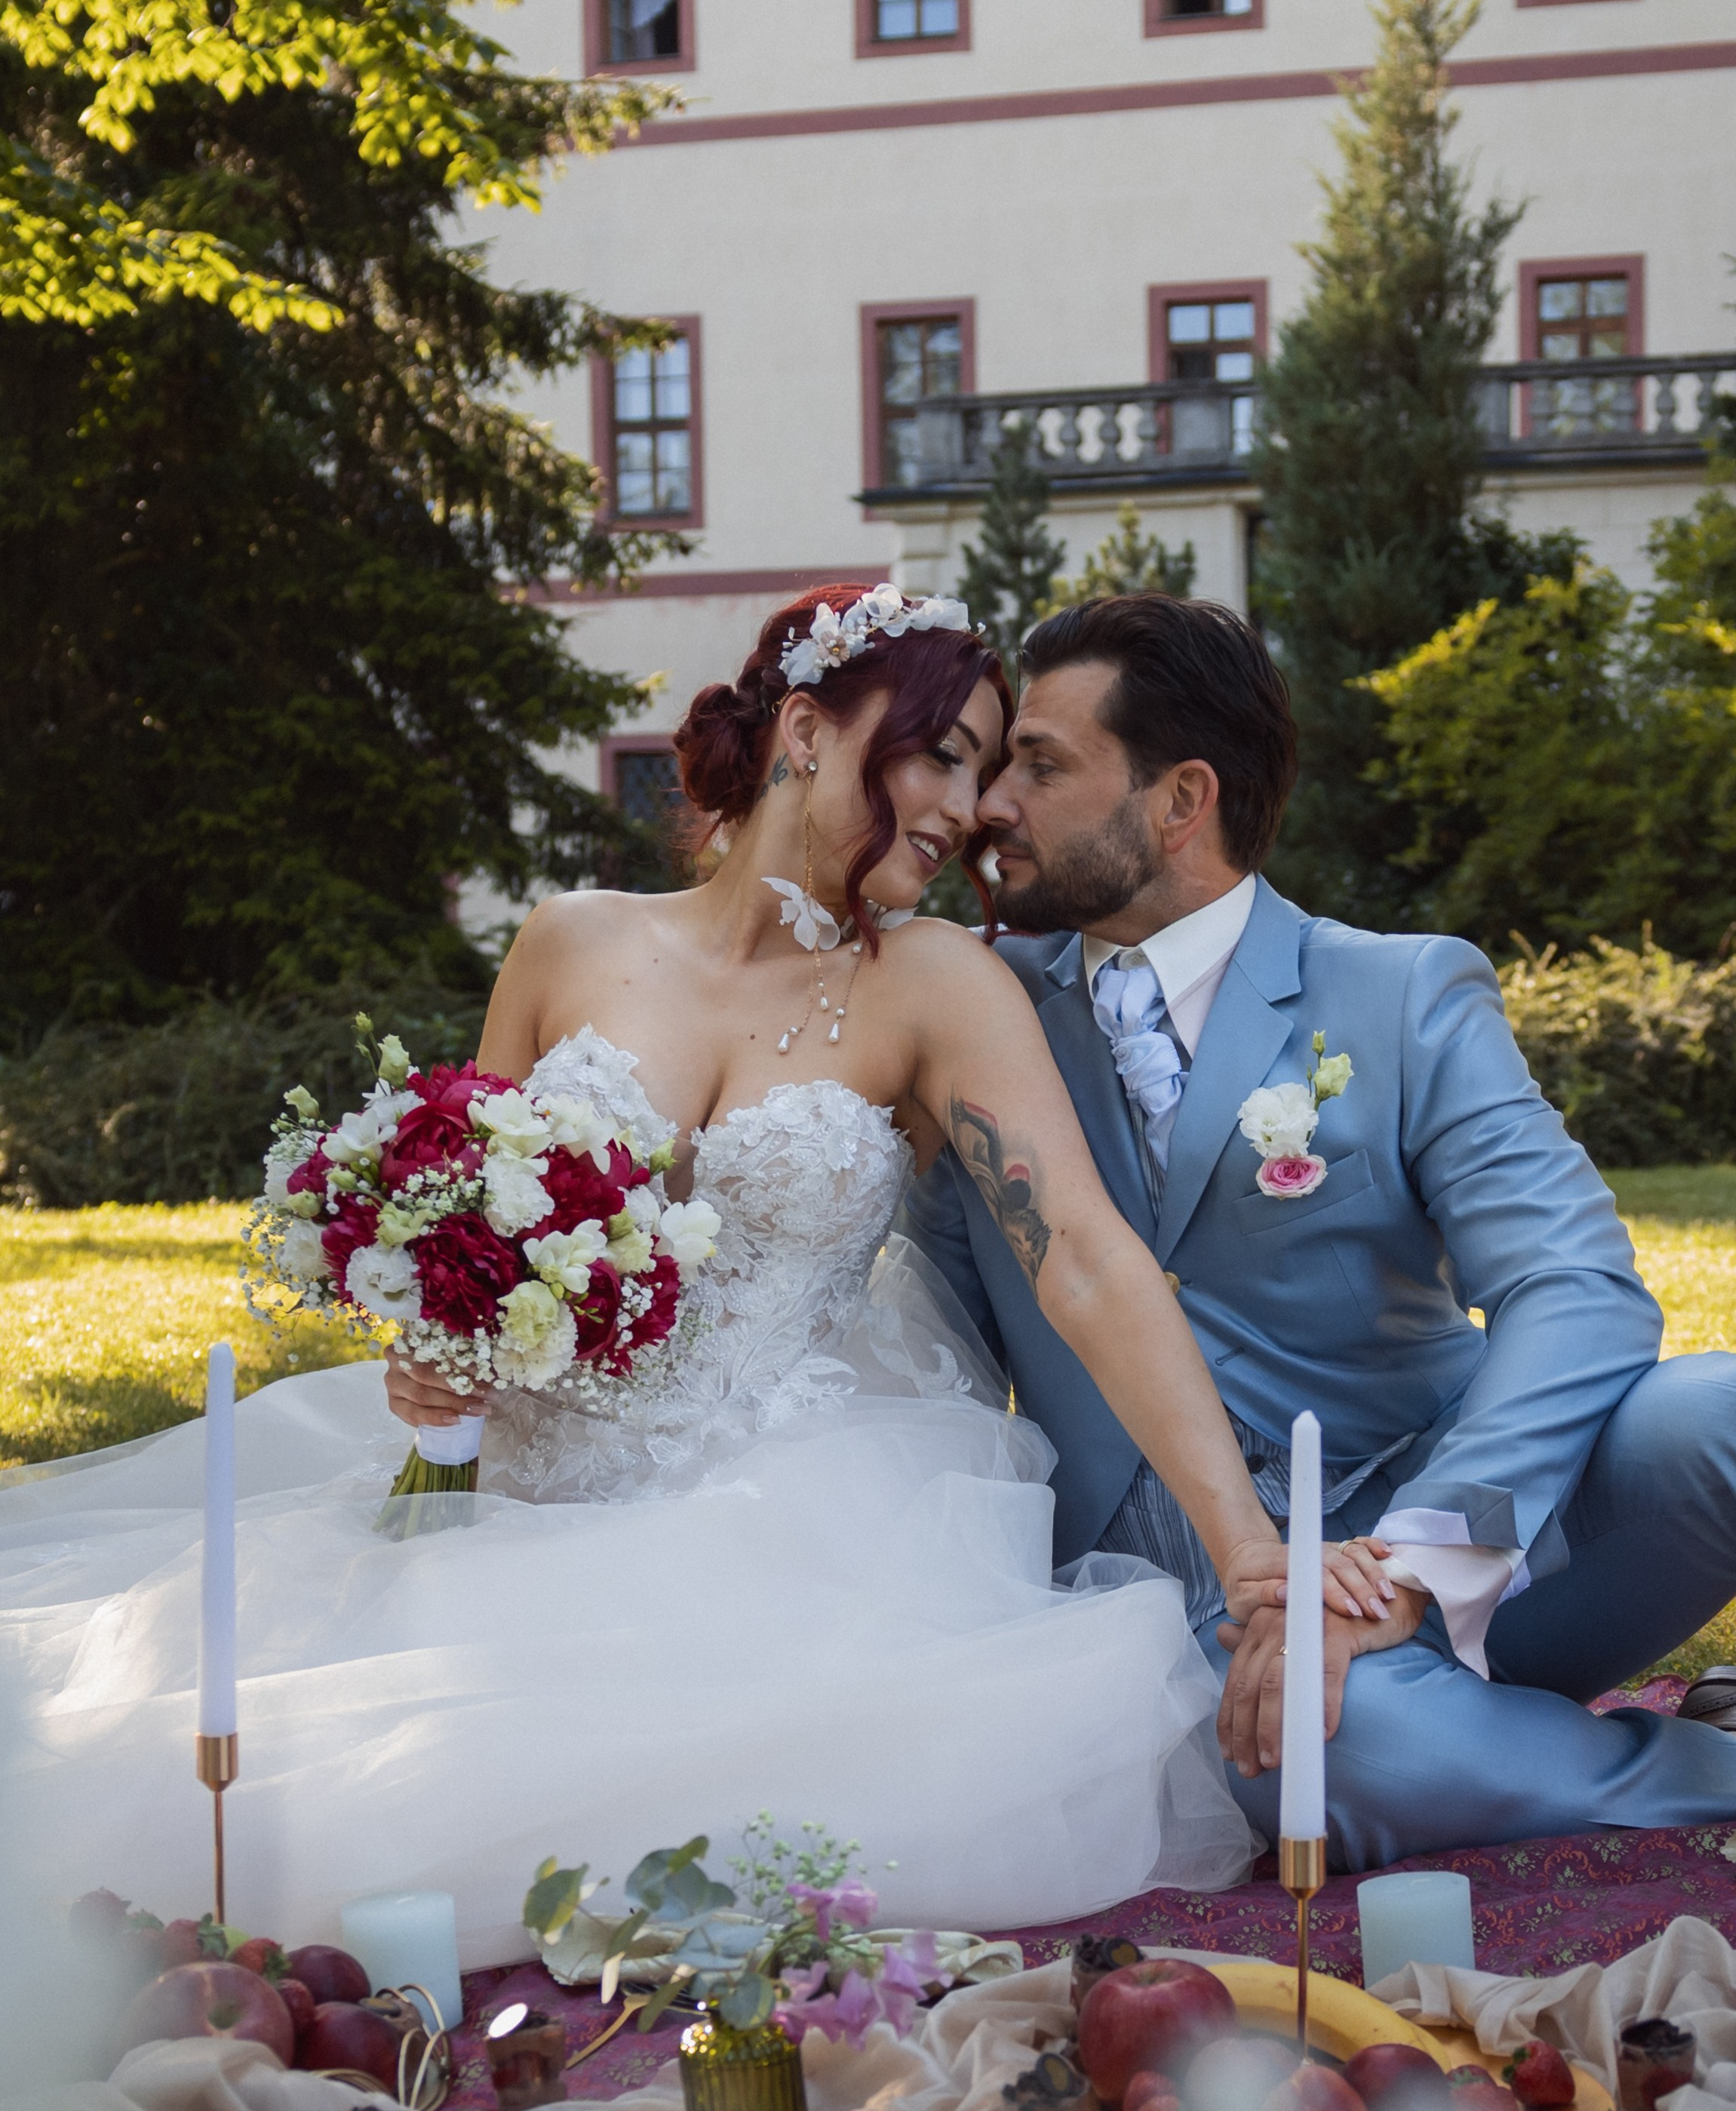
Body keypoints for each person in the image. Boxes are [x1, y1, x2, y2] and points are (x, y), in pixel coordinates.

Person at [0, 585, 1395, 1971]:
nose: (972, 807)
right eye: (947, 754)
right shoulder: (570, 942)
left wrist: (1249, 1552)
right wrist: (431, 1350)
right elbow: (453, 1226)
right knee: (264, 1773)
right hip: (513, 1487)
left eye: (988, 766)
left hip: (792, 1503)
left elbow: (1083, 1254)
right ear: (806, 729)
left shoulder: (939, 987)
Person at [907, 590, 1736, 1871]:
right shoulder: (970, 1015)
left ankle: (1462, 1694)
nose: (990, 806)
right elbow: (942, 1340)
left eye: (1040, 764)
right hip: (1180, 1597)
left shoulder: (1400, 991)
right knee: (1337, 1756)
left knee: (1734, 1415)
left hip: (1464, 1534)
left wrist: (1412, 1564)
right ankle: (1721, 1761)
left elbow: (1575, 1287)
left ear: (1180, 800)